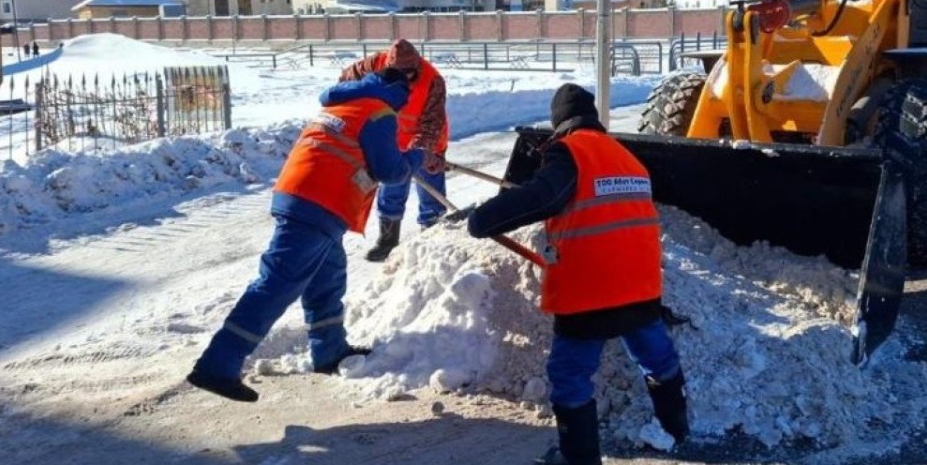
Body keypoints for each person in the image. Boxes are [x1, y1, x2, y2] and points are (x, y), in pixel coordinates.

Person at [466, 84, 689, 465]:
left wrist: (483, 219)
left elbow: (546, 197)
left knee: (569, 376)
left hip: (591, 292)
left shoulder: (570, 152)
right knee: (657, 357)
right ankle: (676, 430)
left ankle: (578, 459)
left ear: (560, 124)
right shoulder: (626, 158)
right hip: (641, 287)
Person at [187, 68, 420, 403]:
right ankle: (218, 364)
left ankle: (329, 350)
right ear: (399, 91)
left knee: (328, 277)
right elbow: (391, 171)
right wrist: (417, 156)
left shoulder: (344, 104)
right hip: (319, 202)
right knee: (277, 283)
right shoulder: (380, 111)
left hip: (304, 197)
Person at [339, 39, 449, 262]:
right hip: (393, 141)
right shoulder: (374, 64)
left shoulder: (432, 80)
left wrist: (420, 154)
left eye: (408, 74)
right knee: (392, 188)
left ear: (416, 66)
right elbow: (344, 83)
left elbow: (431, 124)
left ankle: (431, 238)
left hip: (428, 142)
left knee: (431, 192)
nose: (404, 79)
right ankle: (388, 241)